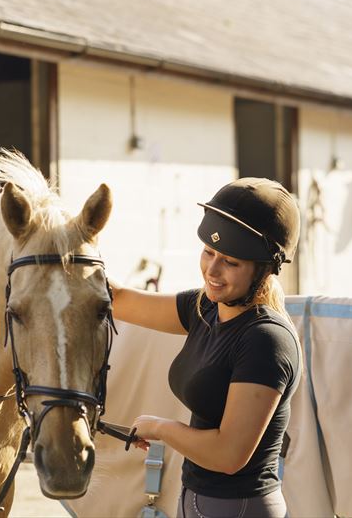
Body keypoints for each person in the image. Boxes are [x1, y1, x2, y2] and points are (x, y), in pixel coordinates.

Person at [111, 177, 302, 518]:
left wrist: (159, 427)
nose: (212, 270)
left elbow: (228, 455)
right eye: (208, 252)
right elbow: (120, 301)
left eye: (230, 262)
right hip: (197, 501)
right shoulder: (205, 309)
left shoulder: (265, 340)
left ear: (263, 269)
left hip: (240, 509)